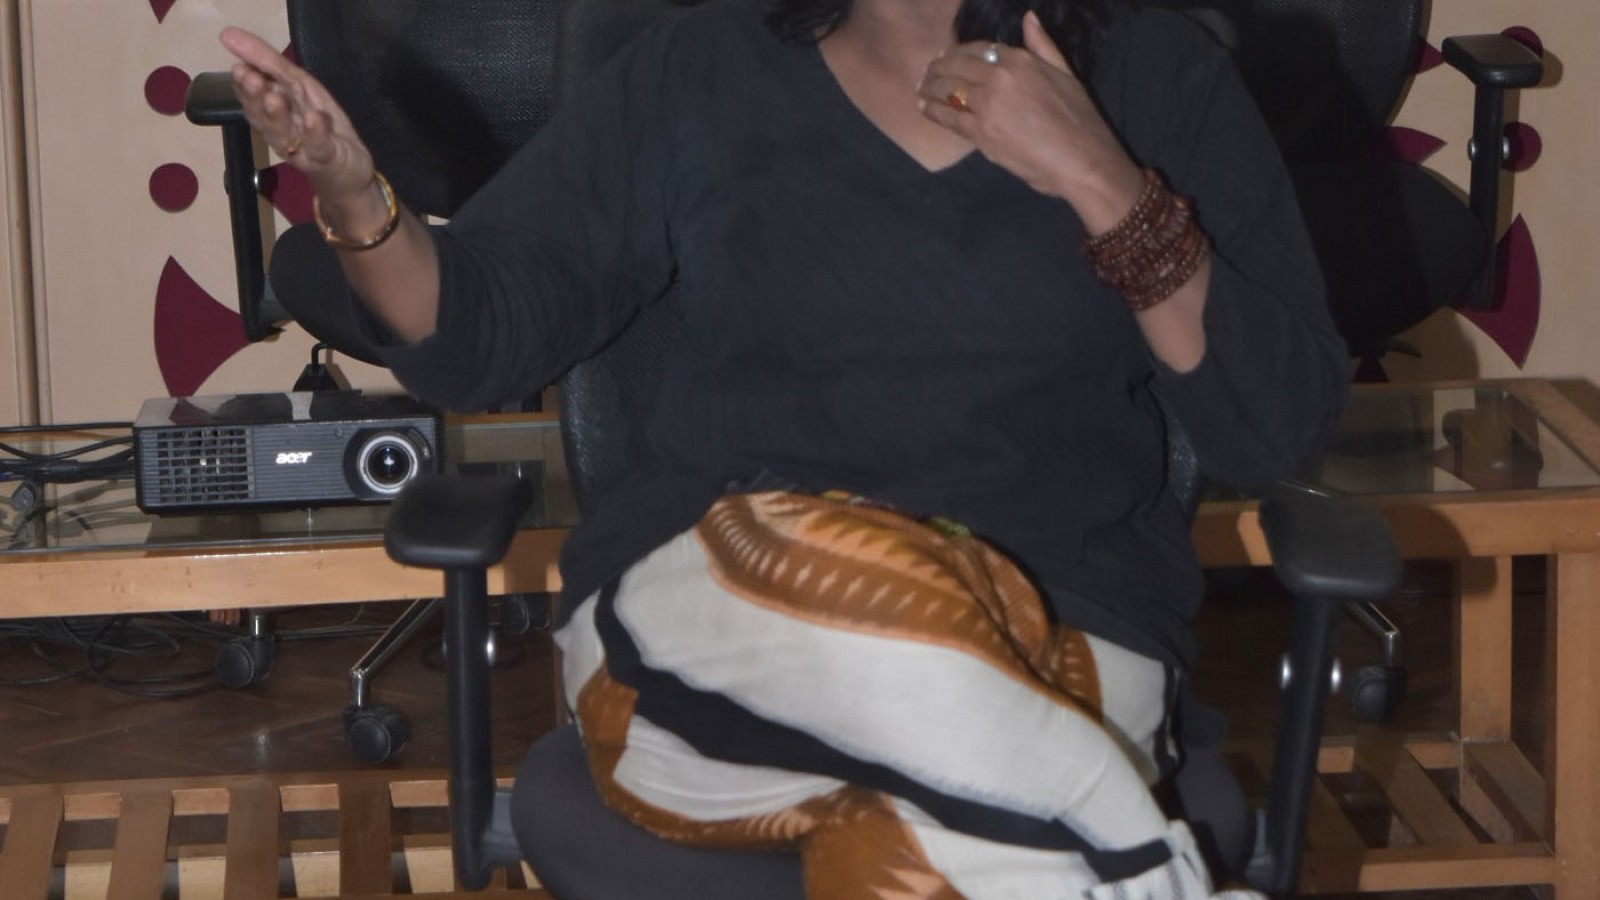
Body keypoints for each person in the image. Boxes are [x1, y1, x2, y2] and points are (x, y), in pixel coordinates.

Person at [222, 0, 1347, 893]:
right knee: (800, 560)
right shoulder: (697, 74)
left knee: (931, 846)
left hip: (1065, 626)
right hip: (721, 629)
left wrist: (1100, 180)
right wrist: (356, 196)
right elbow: (477, 337)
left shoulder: (1157, 79)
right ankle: (1131, 858)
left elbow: (1273, 423)